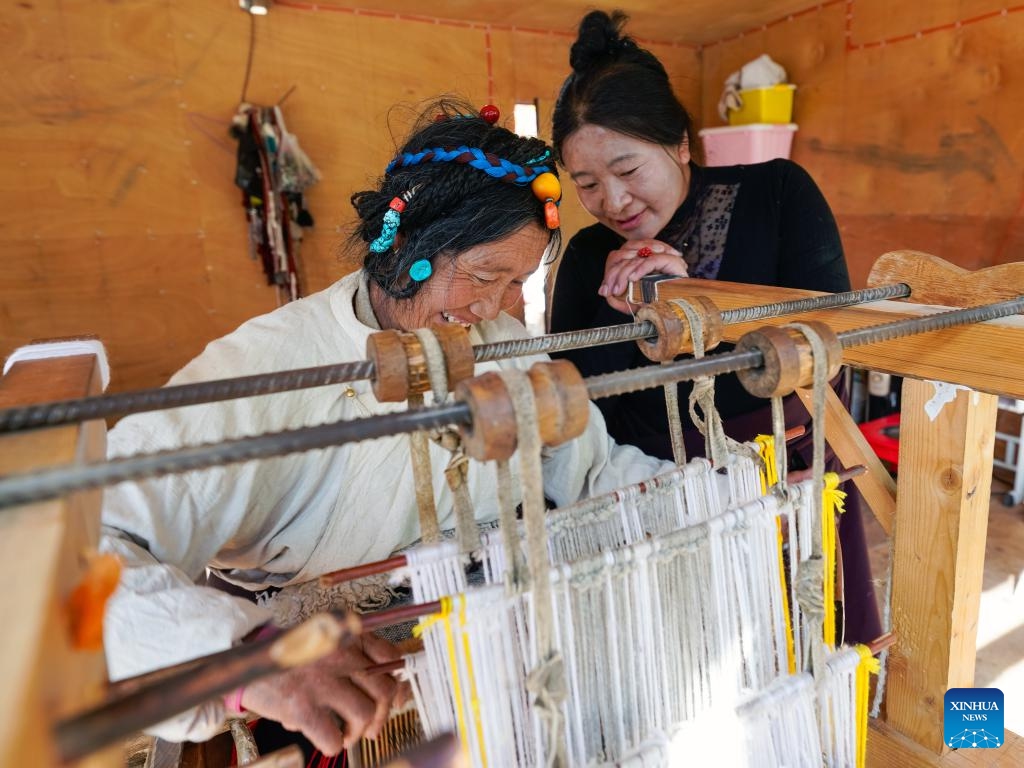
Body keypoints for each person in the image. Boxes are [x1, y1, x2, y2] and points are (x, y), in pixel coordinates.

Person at [99, 99, 676, 757]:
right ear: (405, 245)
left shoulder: (502, 341)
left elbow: (592, 469)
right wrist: (252, 660)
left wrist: (715, 490)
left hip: (497, 669)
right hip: (335, 709)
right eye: (485, 275)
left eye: (517, 282)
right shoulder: (264, 368)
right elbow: (88, 546)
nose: (492, 308)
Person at [548, 10, 881, 643]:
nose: (612, 202)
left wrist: (697, 300)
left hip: (783, 475)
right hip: (646, 493)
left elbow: (836, 338)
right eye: (586, 184)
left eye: (627, 171)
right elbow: (571, 390)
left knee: (801, 654)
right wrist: (619, 316)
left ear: (679, 143)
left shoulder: (777, 193)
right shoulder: (590, 257)